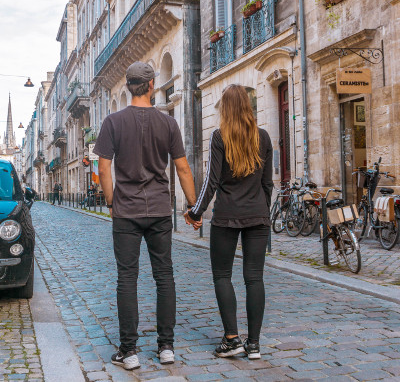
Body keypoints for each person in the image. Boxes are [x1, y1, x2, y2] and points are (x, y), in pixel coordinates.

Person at [94, 61, 196, 371]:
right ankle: (166, 347)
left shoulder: (113, 122)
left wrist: (111, 202)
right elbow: (182, 168)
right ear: (151, 86)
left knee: (127, 278)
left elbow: (103, 168)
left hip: (126, 210)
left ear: (128, 86)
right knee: (164, 276)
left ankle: (129, 351)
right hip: (160, 210)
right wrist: (193, 205)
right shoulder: (168, 124)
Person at [185, 84, 273, 360]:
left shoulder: (219, 137)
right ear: (248, 106)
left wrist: (195, 212)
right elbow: (268, 183)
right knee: (254, 278)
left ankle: (232, 338)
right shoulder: (264, 137)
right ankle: (254, 344)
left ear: (224, 109)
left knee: (222, 275)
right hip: (258, 216)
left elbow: (211, 181)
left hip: (225, 217)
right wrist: (261, 212)